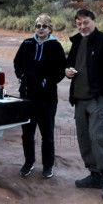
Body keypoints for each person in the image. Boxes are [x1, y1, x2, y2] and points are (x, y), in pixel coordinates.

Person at [65, 9, 103, 200]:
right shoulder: (77, 42)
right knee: (84, 138)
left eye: (86, 22)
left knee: (98, 137)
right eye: (79, 23)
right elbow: (69, 64)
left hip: (98, 99)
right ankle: (95, 175)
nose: (82, 26)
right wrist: (67, 71)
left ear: (94, 21)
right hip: (80, 99)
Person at [14, 13, 66, 179]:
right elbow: (17, 63)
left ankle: (48, 166)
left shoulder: (55, 47)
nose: (41, 29)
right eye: (38, 26)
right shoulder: (27, 43)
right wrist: (22, 76)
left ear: (50, 28)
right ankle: (28, 163)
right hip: (27, 96)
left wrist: (46, 83)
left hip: (47, 98)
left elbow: (60, 71)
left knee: (47, 135)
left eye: (44, 26)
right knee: (27, 134)